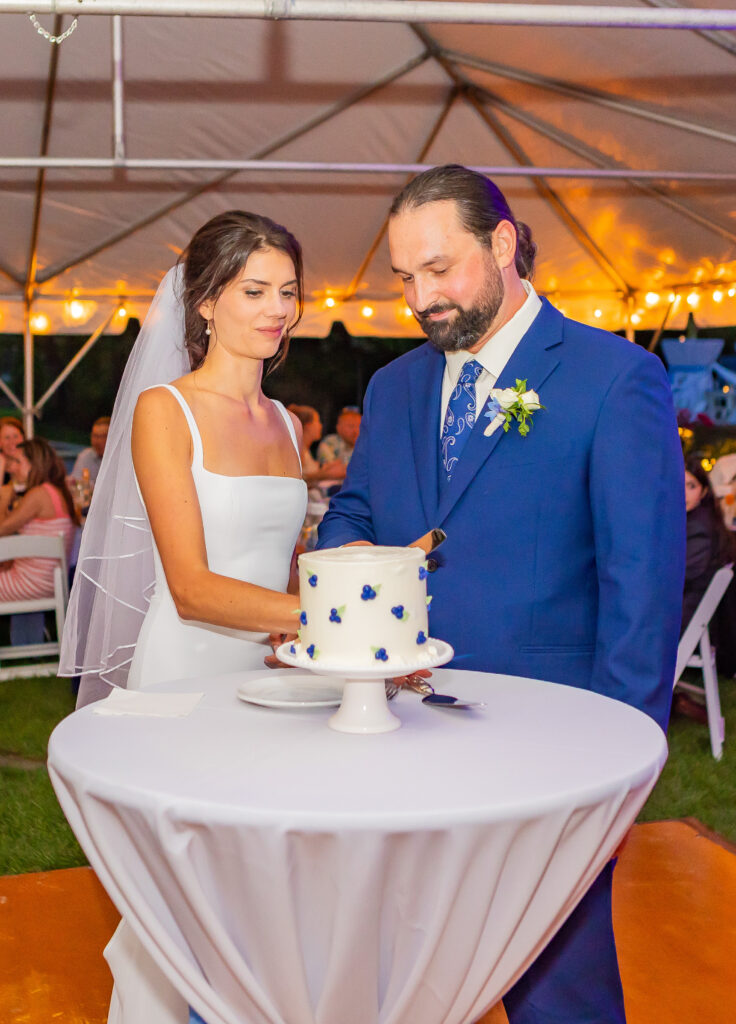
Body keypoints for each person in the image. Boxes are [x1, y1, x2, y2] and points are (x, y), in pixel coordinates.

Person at [318, 164, 685, 1024]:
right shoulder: (394, 385)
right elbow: (355, 513)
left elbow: (641, 590)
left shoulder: (612, 377)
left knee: (559, 984)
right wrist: (351, 569)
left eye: (439, 268)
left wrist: (618, 770)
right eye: (406, 277)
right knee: (397, 967)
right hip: (397, 726)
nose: (420, 296)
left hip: (549, 748)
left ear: (505, 244)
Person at [59, 210, 308, 1024]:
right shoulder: (166, 411)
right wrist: (324, 619)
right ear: (204, 302)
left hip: (270, 685)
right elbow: (195, 588)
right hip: (187, 674)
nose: (277, 309)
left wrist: (342, 600)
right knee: (179, 910)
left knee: (259, 906)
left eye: (289, 292)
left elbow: (286, 564)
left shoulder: (287, 424)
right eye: (255, 290)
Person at [0, 438, 77, 601]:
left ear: (34, 465)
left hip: (30, 584)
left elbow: (2, 529)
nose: (11, 468)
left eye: (17, 461)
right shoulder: (54, 491)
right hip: (48, 581)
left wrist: (4, 499)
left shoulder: (39, 494)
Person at [287, 403, 346, 487]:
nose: (320, 426)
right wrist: (324, 474)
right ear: (308, 426)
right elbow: (294, 483)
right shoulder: (296, 450)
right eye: (318, 421)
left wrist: (325, 469)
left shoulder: (305, 450)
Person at [316, 404, 361, 471]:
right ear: (338, 428)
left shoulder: (365, 444)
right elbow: (332, 470)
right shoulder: (329, 442)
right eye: (351, 426)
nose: (356, 431)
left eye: (359, 426)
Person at [70, 415, 110, 483]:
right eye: (95, 436)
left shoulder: (120, 460)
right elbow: (75, 483)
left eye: (103, 436)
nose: (98, 441)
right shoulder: (85, 456)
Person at [0, 416, 25, 486]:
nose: (12, 442)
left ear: (23, 438)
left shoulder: (34, 465)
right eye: (7, 437)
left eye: (15, 436)